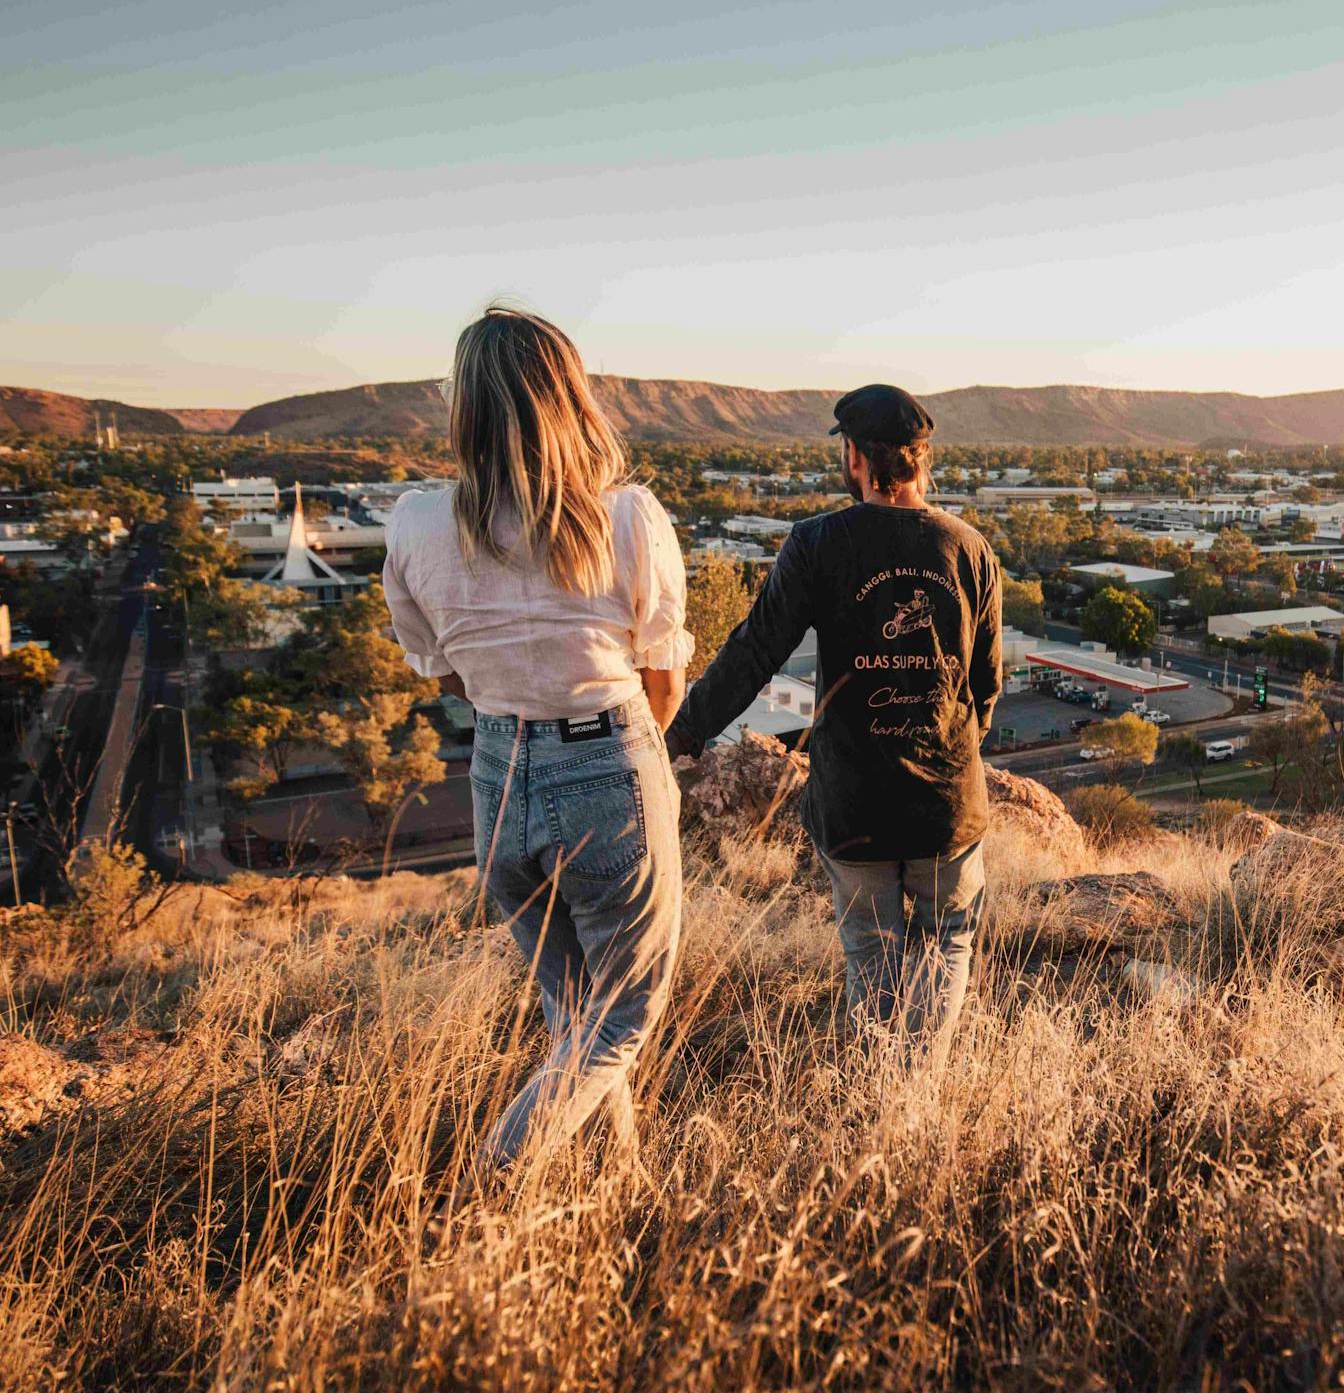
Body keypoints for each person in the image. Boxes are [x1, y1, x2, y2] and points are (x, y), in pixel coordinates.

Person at [382, 306, 692, 1174]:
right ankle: (497, 1173)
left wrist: (507, 704)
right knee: (624, 1014)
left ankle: (618, 1185)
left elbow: (439, 669)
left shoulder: (416, 523)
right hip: (605, 759)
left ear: (464, 410)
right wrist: (618, 759)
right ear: (571, 398)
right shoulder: (626, 518)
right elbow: (663, 678)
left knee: (575, 1012)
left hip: (496, 771)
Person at [668, 385, 1002, 1052]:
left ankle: (883, 1086)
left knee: (873, 957)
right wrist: (949, 750)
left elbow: (754, 651)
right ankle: (920, 1083)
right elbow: (986, 688)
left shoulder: (816, 543)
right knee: (948, 944)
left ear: (855, 457)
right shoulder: (969, 548)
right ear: (920, 458)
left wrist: (681, 731)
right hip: (947, 804)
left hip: (856, 805)